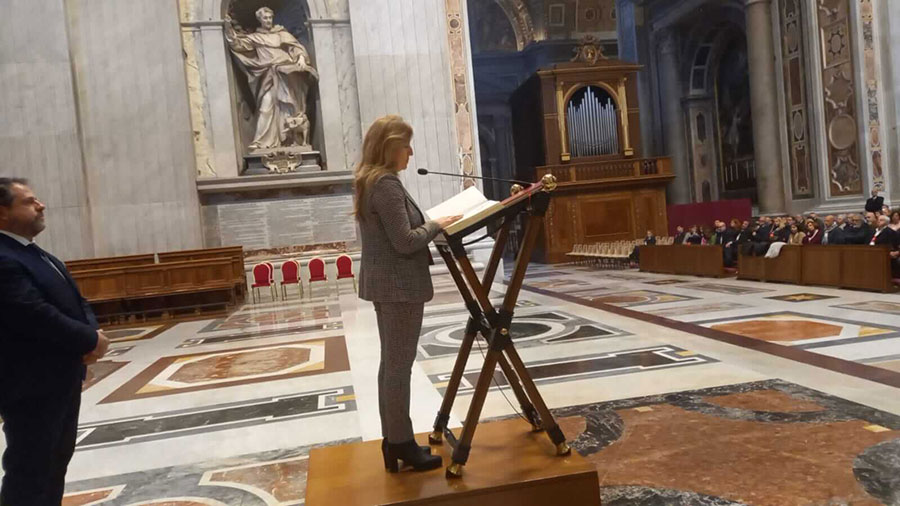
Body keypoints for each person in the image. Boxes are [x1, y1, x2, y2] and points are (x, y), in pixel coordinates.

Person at [354, 116, 460, 473]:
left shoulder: (372, 180)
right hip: (399, 287)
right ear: (389, 147)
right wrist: (437, 224)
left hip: (388, 285)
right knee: (398, 368)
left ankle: (393, 440)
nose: (411, 152)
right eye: (406, 146)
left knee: (391, 366)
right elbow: (404, 241)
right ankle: (400, 443)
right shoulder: (385, 184)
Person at [0, 178, 110, 504]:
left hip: (58, 377)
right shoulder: (4, 258)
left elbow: (75, 300)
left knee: (54, 464)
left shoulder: (32, 252)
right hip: (30, 384)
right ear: (2, 213)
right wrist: (90, 338)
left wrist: (90, 336)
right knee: (30, 470)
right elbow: (33, 313)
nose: (41, 205)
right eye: (29, 201)